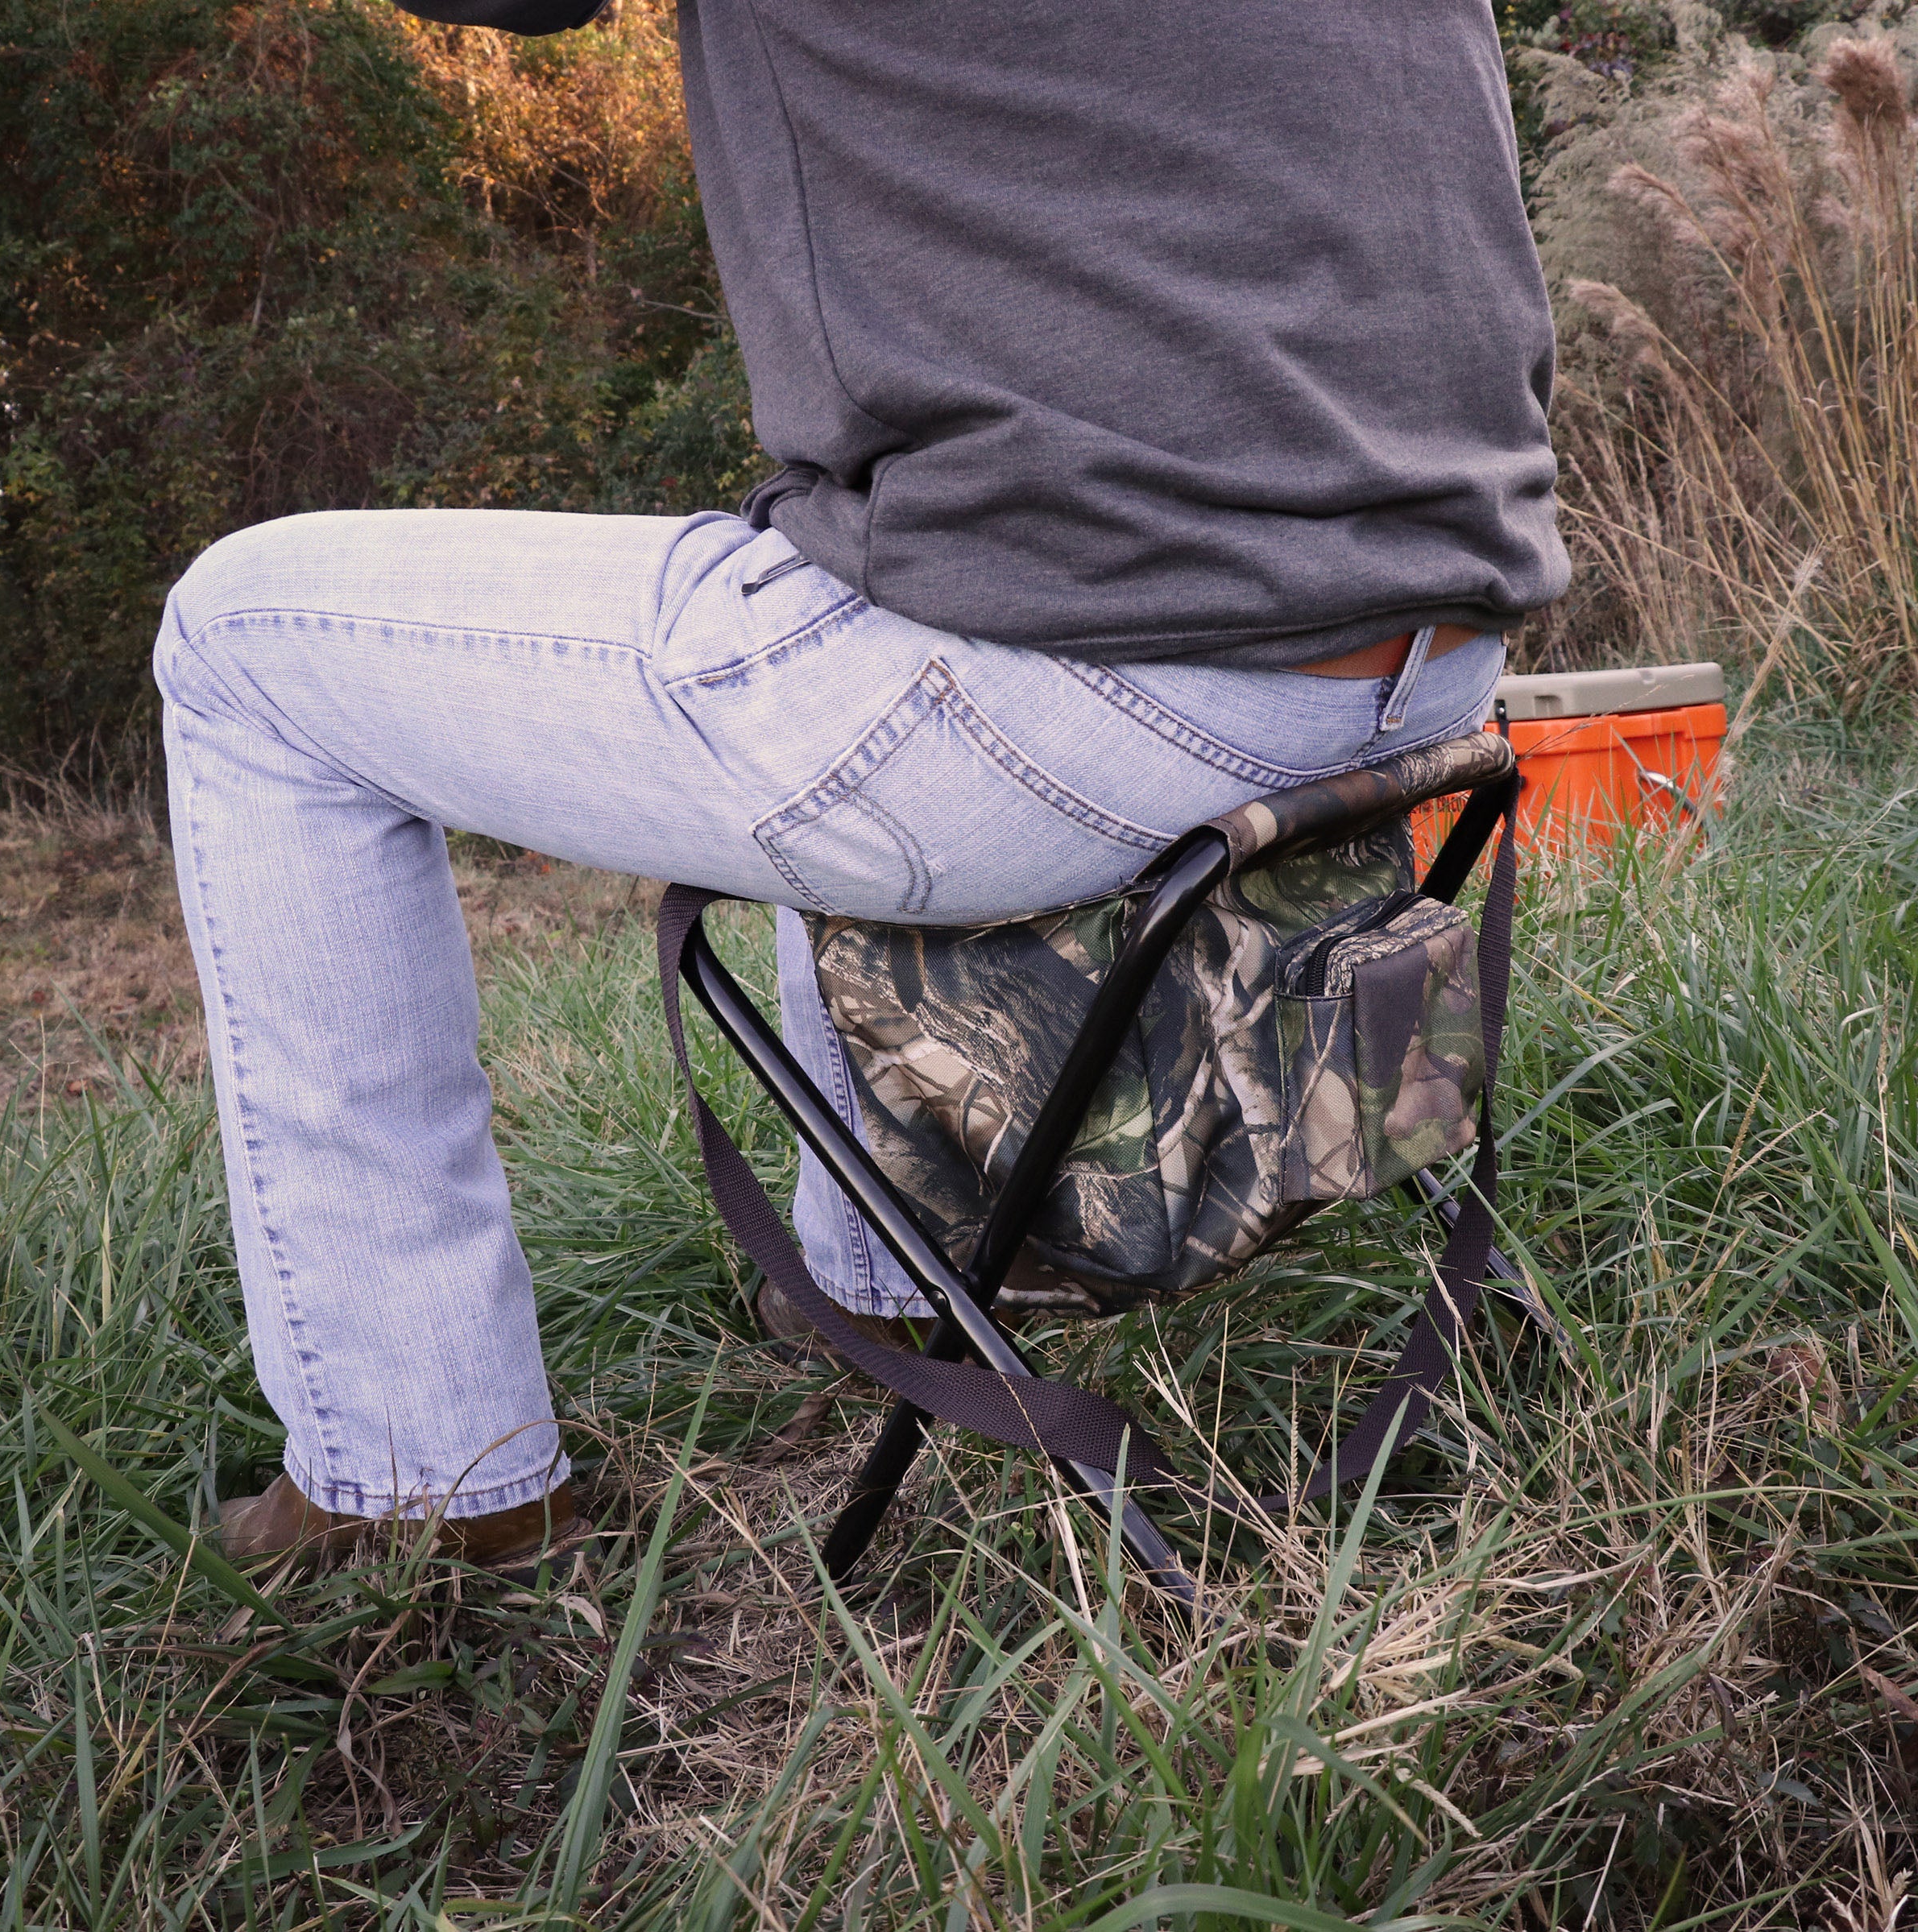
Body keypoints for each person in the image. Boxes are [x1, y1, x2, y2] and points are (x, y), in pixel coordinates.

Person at [159, 0, 1568, 1562]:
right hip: (1436, 652)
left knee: (244, 642)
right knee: (823, 552)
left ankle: (423, 1474)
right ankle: (883, 1275)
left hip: (1112, 669)